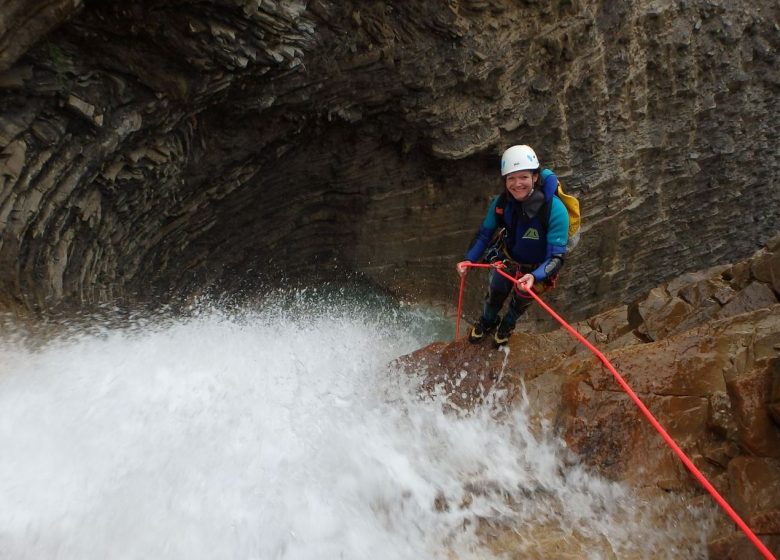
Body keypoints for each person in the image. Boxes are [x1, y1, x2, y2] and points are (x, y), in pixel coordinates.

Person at [457, 144, 569, 346]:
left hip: (537, 269)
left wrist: (535, 276)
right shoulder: (502, 204)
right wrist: (468, 259)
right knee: (495, 293)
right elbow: (484, 234)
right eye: (511, 178)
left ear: (535, 177)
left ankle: (507, 324)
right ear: (505, 180)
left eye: (524, 177)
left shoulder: (555, 210)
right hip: (507, 259)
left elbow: (556, 257)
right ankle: (488, 321)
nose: (517, 184)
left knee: (521, 300)